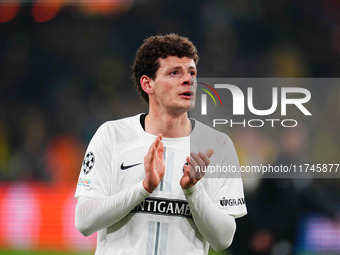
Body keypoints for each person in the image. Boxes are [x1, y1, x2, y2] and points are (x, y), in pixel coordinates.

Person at [74, 34, 247, 255]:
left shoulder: (218, 145)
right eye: (175, 72)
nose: (188, 80)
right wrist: (143, 189)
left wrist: (194, 190)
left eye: (192, 73)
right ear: (148, 83)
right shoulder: (112, 135)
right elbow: (84, 221)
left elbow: (224, 239)